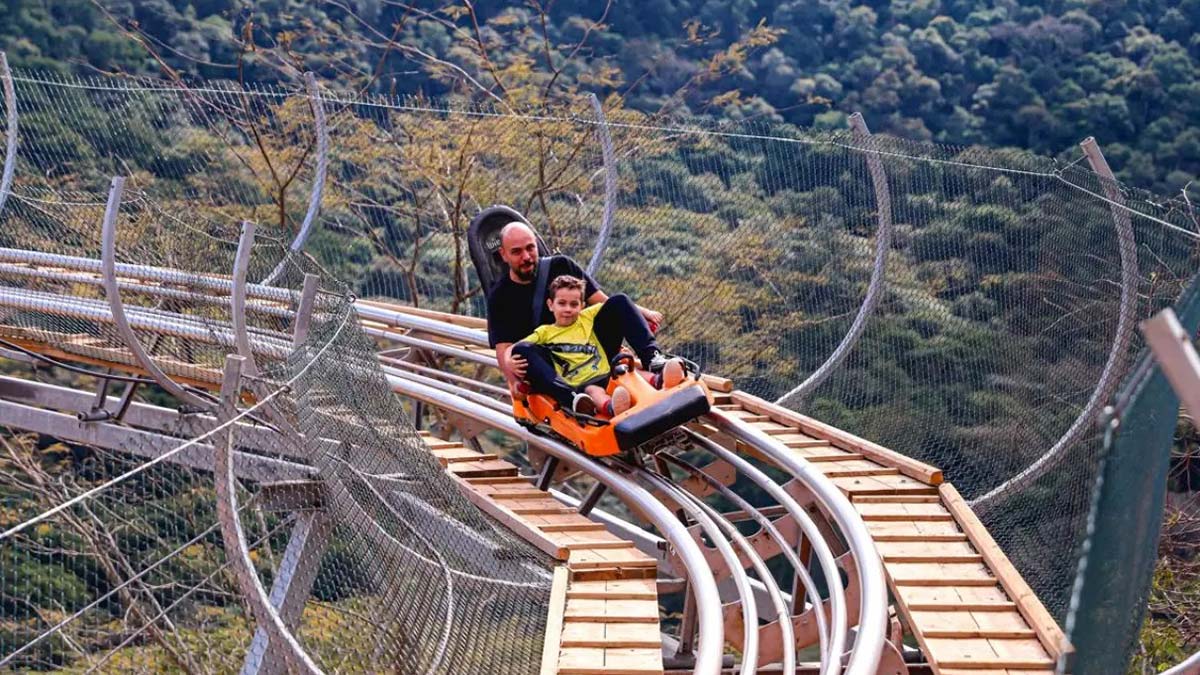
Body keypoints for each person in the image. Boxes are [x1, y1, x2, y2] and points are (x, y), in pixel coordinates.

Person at [486, 221, 681, 408]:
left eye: (530, 248)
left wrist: (642, 313)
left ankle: (654, 361)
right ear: (503, 255)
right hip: (554, 366)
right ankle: (572, 397)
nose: (527, 257)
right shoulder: (500, 297)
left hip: (589, 346)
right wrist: (513, 380)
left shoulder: (561, 266)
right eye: (517, 252)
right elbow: (504, 348)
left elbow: (604, 301)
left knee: (620, 300)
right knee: (523, 351)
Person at [512, 275, 635, 415]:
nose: (568, 309)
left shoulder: (586, 317)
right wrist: (510, 362)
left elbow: (617, 304)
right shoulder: (545, 332)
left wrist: (643, 314)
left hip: (606, 371)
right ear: (551, 305)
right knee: (595, 392)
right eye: (562, 303)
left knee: (629, 372)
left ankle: (656, 370)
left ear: (582, 306)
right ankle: (609, 407)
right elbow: (520, 347)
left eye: (574, 304)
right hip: (582, 383)